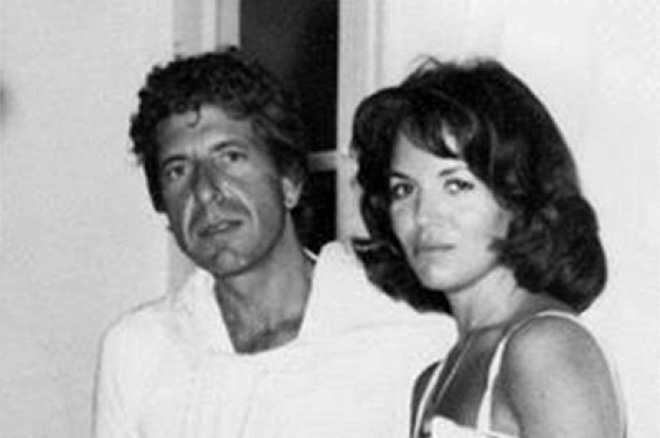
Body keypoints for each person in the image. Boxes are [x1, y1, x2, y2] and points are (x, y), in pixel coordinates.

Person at [92, 47, 454, 438]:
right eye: (178, 170)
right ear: (164, 207)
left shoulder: (410, 327)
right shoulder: (139, 349)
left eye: (230, 157)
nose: (205, 191)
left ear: (289, 182)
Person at [351, 57, 626, 438]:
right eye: (404, 189)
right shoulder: (431, 383)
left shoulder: (545, 348)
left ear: (518, 195)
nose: (423, 215)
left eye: (457, 185)